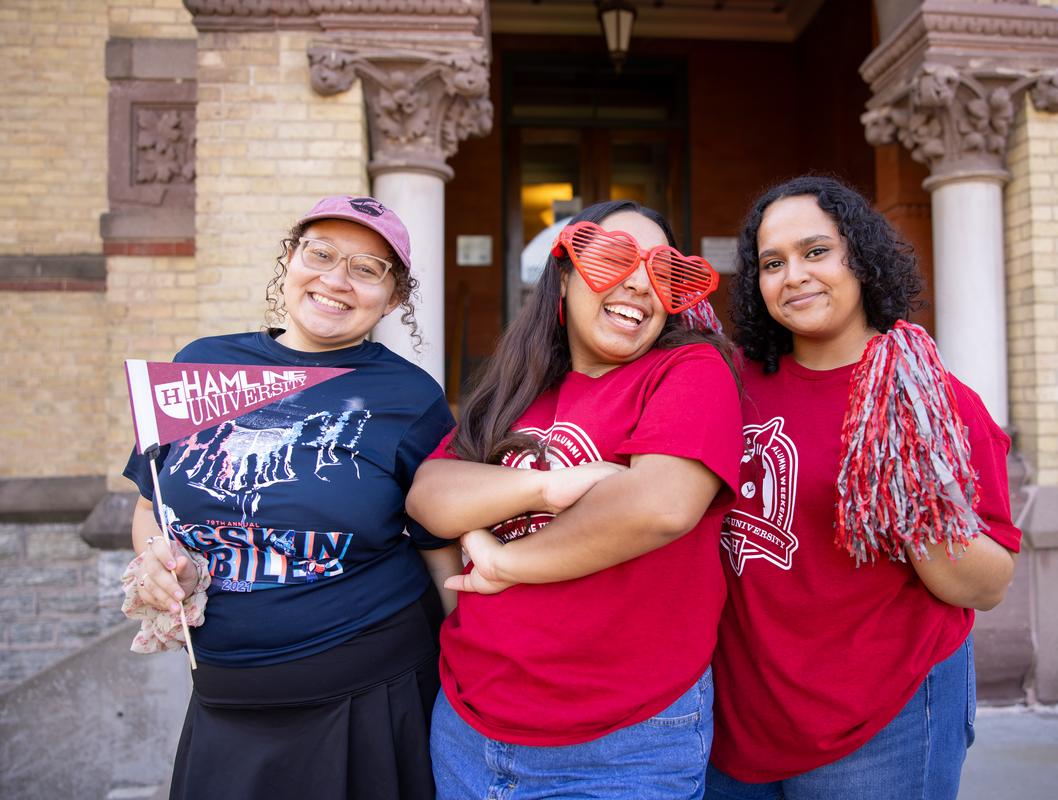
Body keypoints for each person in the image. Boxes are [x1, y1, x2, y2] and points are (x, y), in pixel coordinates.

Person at [122, 195, 458, 800]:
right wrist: (153, 560)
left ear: (395, 297)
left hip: (368, 697)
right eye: (320, 253)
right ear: (290, 261)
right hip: (225, 701)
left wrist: (475, 681)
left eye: (367, 268)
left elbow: (441, 552)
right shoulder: (203, 365)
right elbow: (152, 504)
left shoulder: (409, 397)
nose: (336, 280)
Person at [405, 200, 743, 799]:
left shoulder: (690, 369)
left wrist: (504, 560)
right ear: (562, 277)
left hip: (623, 743)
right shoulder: (520, 387)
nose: (639, 282)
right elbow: (431, 496)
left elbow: (660, 507)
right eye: (614, 257)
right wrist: (547, 486)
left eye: (665, 271)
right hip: (469, 726)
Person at [705, 176, 1022, 800]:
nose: (793, 275)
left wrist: (907, 484)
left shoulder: (936, 402)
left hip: (883, 721)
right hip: (738, 719)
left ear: (861, 259)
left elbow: (988, 585)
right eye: (773, 263)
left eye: (815, 251)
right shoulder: (728, 385)